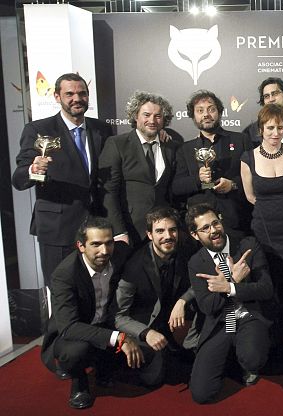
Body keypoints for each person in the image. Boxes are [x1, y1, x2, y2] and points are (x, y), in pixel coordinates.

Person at [12, 73, 114, 287]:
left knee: (95, 290)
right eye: (69, 94)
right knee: (61, 291)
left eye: (82, 93)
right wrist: (33, 168)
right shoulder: (38, 130)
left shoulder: (102, 129)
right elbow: (19, 179)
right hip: (57, 227)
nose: (77, 98)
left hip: (95, 228)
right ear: (57, 97)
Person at [40, 217, 133, 409]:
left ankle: (103, 366)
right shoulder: (64, 275)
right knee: (76, 352)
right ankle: (79, 381)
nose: (104, 251)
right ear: (81, 246)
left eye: (109, 243)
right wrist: (119, 338)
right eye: (96, 244)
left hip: (105, 322)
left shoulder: (120, 253)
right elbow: (70, 327)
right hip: (72, 332)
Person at [186, 203, 273, 403]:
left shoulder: (247, 245)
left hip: (249, 316)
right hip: (220, 323)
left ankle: (243, 358)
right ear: (194, 234)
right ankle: (230, 359)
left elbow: (266, 289)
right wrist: (232, 280)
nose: (213, 231)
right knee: (201, 394)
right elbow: (207, 306)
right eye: (205, 228)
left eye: (215, 223)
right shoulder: (195, 262)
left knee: (252, 359)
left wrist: (230, 288)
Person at [114, 207, 196, 386]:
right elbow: (118, 316)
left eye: (172, 230)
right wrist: (146, 333)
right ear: (149, 235)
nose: (168, 236)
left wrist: (183, 300)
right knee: (155, 378)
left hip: (173, 323)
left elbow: (199, 282)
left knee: (193, 363)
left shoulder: (186, 251)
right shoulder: (134, 266)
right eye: (160, 231)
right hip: (145, 325)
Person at [99, 91, 179, 246]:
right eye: (146, 115)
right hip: (130, 231)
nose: (152, 120)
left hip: (163, 233)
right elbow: (108, 192)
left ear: (164, 120)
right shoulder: (117, 144)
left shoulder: (172, 147)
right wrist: (118, 232)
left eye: (158, 116)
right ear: (136, 116)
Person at [241, 103, 283, 289]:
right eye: (270, 127)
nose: (275, 133)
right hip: (263, 232)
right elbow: (250, 196)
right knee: (270, 285)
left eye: (280, 127)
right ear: (261, 129)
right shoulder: (248, 158)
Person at [172, 90, 252, 239]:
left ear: (220, 112)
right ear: (193, 116)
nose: (206, 114)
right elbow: (176, 187)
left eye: (211, 109)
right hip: (201, 228)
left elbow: (256, 176)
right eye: (200, 111)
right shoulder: (185, 149)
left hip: (237, 220)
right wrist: (198, 179)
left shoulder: (241, 140)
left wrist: (233, 185)